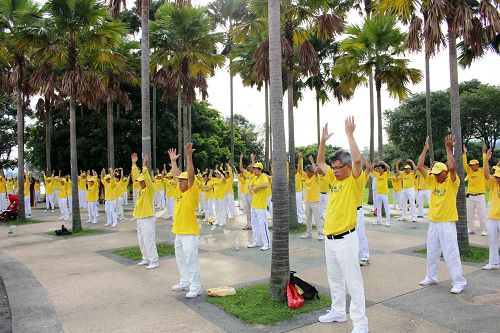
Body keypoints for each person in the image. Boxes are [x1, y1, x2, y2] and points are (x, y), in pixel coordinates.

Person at [316, 118, 369, 333]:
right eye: (334, 168)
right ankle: (338, 311)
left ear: (347, 167)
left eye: (338, 168)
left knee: (353, 282)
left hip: (347, 239)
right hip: (330, 238)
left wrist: (350, 134)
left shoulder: (354, 181)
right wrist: (322, 141)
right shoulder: (334, 180)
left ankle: (360, 323)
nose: (334, 171)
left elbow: (357, 160)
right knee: (334, 278)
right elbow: (320, 163)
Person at [417, 136, 467, 294]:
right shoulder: (433, 180)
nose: (436, 176)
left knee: (451, 253)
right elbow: (419, 166)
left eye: (439, 174)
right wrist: (425, 149)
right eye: (435, 173)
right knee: (432, 251)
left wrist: (448, 148)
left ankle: (459, 281)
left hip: (447, 223)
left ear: (445, 172)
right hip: (434, 222)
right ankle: (431, 276)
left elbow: (452, 167)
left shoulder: (453, 181)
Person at [169, 144, 203, 298]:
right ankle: (185, 281)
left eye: (183, 181)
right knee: (181, 258)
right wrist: (174, 162)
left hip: (190, 232)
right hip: (179, 231)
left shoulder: (191, 192)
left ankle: (196, 286)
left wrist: (189, 157)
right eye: (180, 181)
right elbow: (177, 175)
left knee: (191, 259)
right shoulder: (179, 191)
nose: (180, 182)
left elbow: (190, 175)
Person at [132, 153, 160, 270]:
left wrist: (144, 165)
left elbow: (147, 178)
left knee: (149, 239)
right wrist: (134, 164)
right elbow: (135, 175)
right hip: (139, 217)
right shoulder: (140, 189)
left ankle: (154, 260)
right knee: (141, 239)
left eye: (141, 181)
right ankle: (146, 258)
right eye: (139, 181)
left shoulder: (150, 189)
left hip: (147, 217)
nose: (139, 182)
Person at [463, 144, 488, 236]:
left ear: (477, 165)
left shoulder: (481, 172)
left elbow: (485, 163)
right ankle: (471, 228)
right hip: (470, 196)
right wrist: (464, 153)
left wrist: (484, 152)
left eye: (473, 165)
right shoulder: (469, 172)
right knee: (470, 214)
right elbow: (464, 164)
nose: (471, 166)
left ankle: (484, 230)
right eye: (471, 165)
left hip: (480, 195)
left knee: (482, 214)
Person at [247, 161, 271, 251]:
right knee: (254, 223)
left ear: (260, 169)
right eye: (253, 168)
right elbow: (250, 185)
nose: (253, 170)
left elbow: (266, 184)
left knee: (263, 224)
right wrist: (250, 187)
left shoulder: (263, 176)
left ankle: (267, 244)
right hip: (254, 204)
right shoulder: (255, 177)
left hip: (261, 205)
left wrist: (257, 187)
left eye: (255, 169)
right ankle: (256, 242)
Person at [482, 149, 500, 270]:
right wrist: (487, 160)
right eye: (497, 177)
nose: (497, 179)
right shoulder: (494, 184)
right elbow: (487, 174)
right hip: (493, 217)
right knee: (492, 241)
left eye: (499, 177)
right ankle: (493, 263)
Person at [299, 153, 323, 240]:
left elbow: (316, 171)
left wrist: (312, 161)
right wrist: (300, 159)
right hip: (308, 201)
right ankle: (308, 233)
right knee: (308, 219)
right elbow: (300, 171)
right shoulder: (306, 177)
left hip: (315, 201)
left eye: (308, 171)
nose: (306, 172)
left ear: (311, 172)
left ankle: (320, 233)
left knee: (317, 219)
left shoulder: (316, 178)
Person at [358, 157, 372, 266]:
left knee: (360, 234)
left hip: (357, 211)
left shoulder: (362, 177)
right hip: (346, 211)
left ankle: (365, 256)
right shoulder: (347, 178)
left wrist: (362, 157)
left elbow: (369, 168)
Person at [372, 161, 391, 226]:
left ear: (383, 169)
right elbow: (371, 170)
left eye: (380, 168)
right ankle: (379, 220)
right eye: (378, 168)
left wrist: (383, 162)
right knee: (378, 207)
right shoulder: (376, 174)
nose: (378, 170)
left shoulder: (386, 174)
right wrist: (373, 165)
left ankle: (388, 221)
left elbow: (388, 167)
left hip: (384, 193)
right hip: (378, 193)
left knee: (386, 207)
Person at [239, 153, 255, 230]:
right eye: (249, 166)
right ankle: (248, 224)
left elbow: (255, 166)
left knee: (253, 210)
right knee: (247, 210)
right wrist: (241, 159)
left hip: (251, 194)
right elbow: (241, 167)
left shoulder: (255, 174)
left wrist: (252, 158)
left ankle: (253, 224)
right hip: (246, 194)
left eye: (251, 166)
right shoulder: (247, 173)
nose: (249, 167)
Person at [295, 157, 305, 224]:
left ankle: (300, 219)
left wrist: (300, 159)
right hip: (291, 193)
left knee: (299, 206)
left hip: (298, 192)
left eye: (294, 168)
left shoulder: (299, 173)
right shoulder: (289, 174)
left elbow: (300, 167)